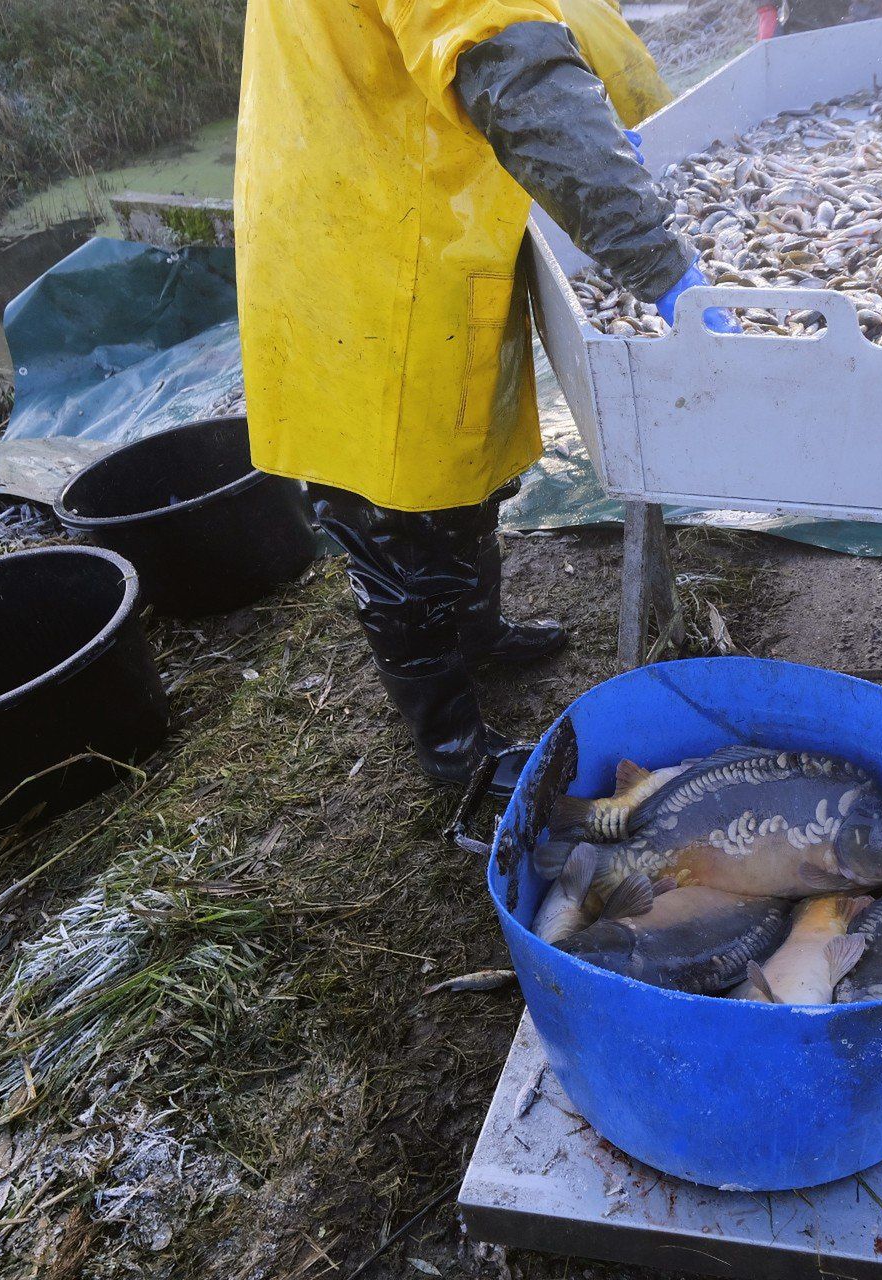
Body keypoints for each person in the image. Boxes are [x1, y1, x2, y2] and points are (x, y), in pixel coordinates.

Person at [236, 1, 717, 795]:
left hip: (424, 201)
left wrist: (631, 129)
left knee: (462, 459)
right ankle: (452, 745)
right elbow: (507, 56)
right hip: (363, 235)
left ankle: (475, 629)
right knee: (389, 510)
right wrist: (657, 258)